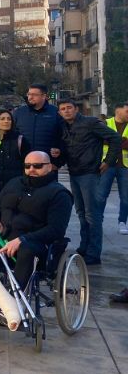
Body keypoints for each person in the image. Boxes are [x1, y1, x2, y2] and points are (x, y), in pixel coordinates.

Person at [0, 151, 73, 331]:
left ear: (49, 167)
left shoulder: (59, 194)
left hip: (35, 244)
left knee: (27, 251)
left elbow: (56, 230)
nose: (31, 169)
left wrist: (23, 239)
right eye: (27, 166)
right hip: (3, 240)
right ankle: (10, 306)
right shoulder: (14, 183)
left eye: (37, 166)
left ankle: (10, 307)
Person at [58, 99, 120, 265]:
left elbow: (115, 138)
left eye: (69, 108)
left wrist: (108, 161)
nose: (66, 111)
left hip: (90, 174)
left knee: (92, 214)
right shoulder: (63, 127)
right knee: (81, 212)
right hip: (74, 173)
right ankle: (84, 246)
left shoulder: (91, 123)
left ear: (76, 109)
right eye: (63, 109)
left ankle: (94, 252)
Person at [12, 84, 63, 169]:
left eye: (34, 95)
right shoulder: (19, 113)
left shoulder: (55, 112)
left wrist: (58, 163)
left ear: (44, 96)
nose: (30, 97)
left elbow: (63, 137)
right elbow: (12, 136)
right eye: (29, 94)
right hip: (24, 164)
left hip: (47, 165)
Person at [98, 102, 128, 235]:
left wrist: (113, 140)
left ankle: (122, 222)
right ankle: (98, 220)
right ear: (118, 110)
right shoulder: (105, 123)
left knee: (126, 196)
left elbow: (109, 140)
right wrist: (122, 141)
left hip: (125, 166)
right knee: (101, 195)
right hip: (107, 165)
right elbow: (100, 140)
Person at [0, 109, 30, 194]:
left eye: (9, 119)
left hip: (14, 187)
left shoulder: (20, 139)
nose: (6, 121)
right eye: (2, 119)